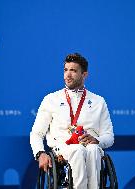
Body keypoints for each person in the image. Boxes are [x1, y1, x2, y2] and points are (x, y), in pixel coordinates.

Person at [30, 53, 114, 189]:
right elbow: (36, 134)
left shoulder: (99, 101)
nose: (68, 75)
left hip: (91, 149)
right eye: (66, 70)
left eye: (73, 70)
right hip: (62, 150)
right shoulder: (51, 99)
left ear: (84, 74)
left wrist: (98, 140)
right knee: (77, 149)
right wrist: (40, 153)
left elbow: (109, 137)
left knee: (93, 149)